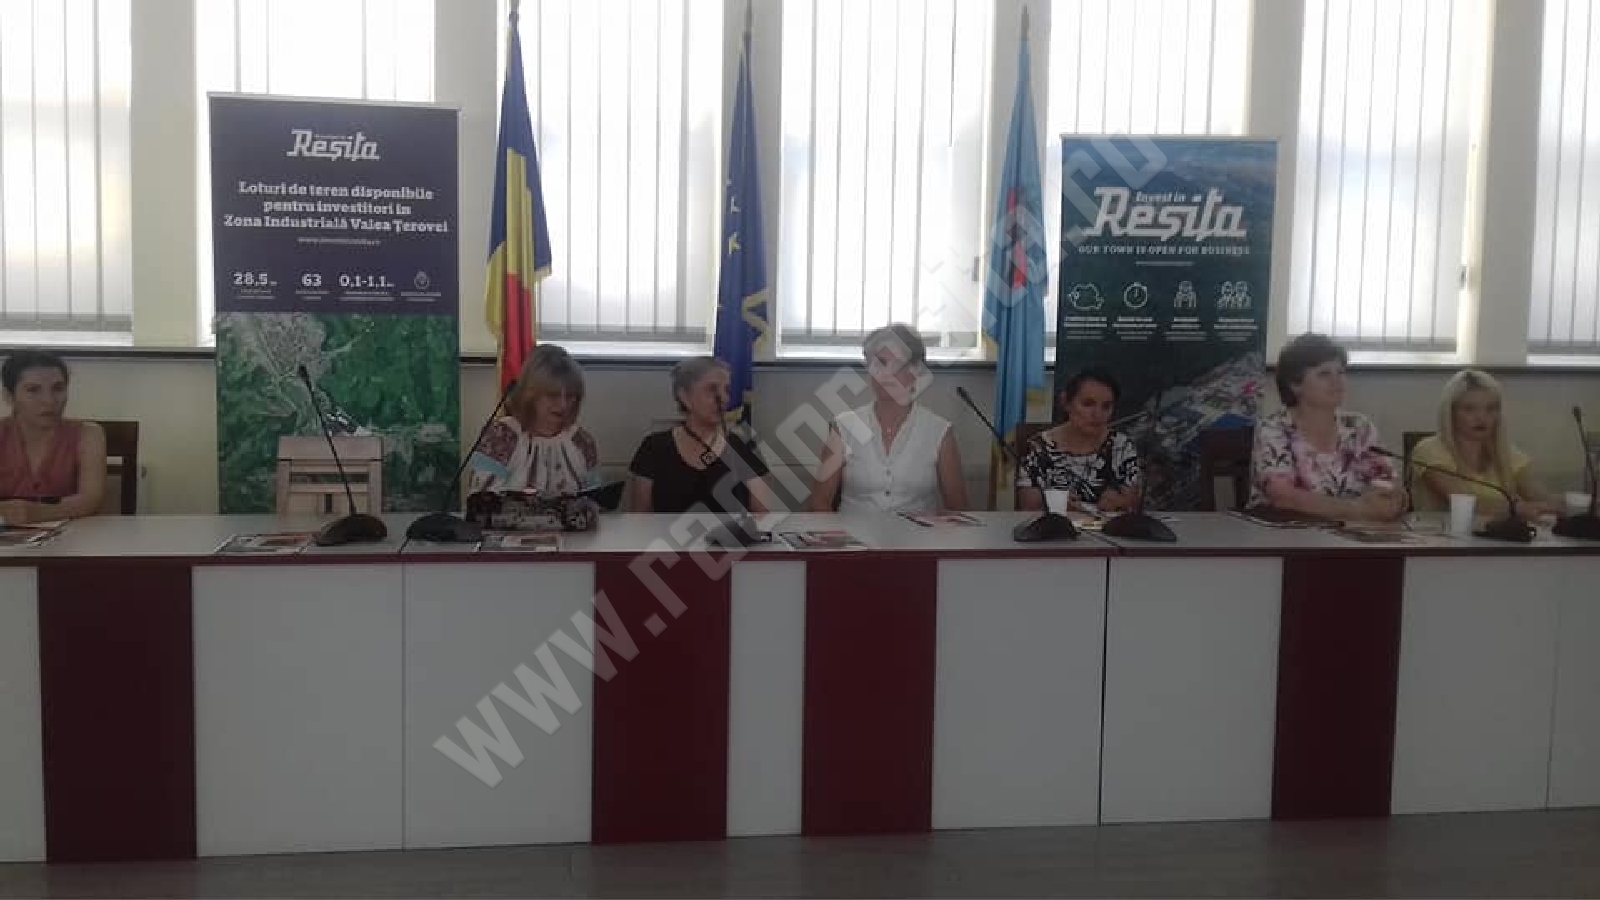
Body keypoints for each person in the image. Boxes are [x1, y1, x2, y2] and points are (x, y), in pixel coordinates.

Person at [807, 324, 968, 514]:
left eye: (896, 365)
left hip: (917, 533)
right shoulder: (844, 427)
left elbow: (958, 510)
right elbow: (819, 502)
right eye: (879, 364)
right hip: (853, 532)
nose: (884, 374)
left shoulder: (939, 431)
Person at [1251, 333, 1405, 521]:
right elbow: (1283, 497)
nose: (1337, 380)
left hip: (1356, 533)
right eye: (1324, 374)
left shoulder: (1359, 427)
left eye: (1341, 372)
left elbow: (1389, 483)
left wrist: (1390, 500)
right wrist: (1357, 510)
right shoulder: (1274, 429)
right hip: (1285, 533)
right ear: (1295, 384)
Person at [626, 356, 774, 515]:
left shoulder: (743, 445)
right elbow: (640, 518)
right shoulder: (654, 447)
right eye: (712, 389)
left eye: (726, 390)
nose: (724, 398)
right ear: (684, 396)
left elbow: (762, 516)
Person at [1410, 369, 1554, 517]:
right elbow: (1467, 503)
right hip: (1441, 531)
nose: (1481, 417)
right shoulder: (1429, 450)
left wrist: (1563, 505)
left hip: (1499, 532)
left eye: (1491, 409)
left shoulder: (1508, 453)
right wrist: (1518, 508)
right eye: (1469, 409)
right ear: (1451, 413)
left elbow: (1541, 497)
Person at [468, 345, 598, 497]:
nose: (563, 404)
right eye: (553, 395)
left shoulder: (582, 441)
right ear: (530, 395)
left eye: (570, 396)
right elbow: (480, 501)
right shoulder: (501, 437)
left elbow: (595, 501)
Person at [0, 351, 106, 524]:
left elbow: (90, 500)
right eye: (33, 390)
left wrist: (38, 513)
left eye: (58, 388)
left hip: (74, 536)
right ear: (9, 396)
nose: (49, 401)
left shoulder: (88, 434)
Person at [1017, 367, 1141, 513]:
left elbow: (1132, 504)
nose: (1097, 414)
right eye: (1088, 404)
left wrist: (1120, 503)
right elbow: (1028, 507)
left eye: (1106, 406)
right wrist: (1056, 505)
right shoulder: (1038, 447)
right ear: (1066, 402)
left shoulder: (1122, 446)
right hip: (1055, 526)